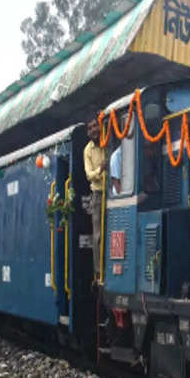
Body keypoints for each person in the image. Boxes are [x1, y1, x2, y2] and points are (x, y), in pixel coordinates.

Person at [83, 119, 106, 279]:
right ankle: (99, 271)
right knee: (97, 235)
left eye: (95, 126)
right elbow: (89, 175)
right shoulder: (88, 151)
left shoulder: (109, 140)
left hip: (113, 191)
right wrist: (101, 169)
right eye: (90, 128)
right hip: (97, 194)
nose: (93, 130)